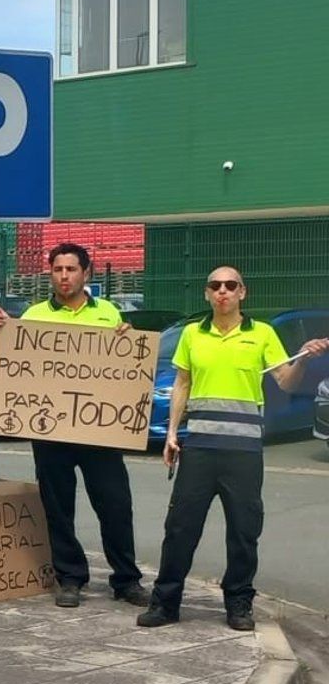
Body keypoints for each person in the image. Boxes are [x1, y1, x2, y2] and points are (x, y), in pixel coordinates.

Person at [140, 267, 328, 631]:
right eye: (215, 286)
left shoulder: (262, 334)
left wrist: (302, 357)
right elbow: (182, 383)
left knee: (243, 531)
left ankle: (239, 604)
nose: (222, 291)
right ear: (207, 295)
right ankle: (165, 603)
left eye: (230, 285)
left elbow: (286, 382)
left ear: (243, 292)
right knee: (180, 528)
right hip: (198, 448)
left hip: (243, 452)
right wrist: (172, 435)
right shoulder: (193, 335)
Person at [0, 243, 147, 608]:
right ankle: (70, 577)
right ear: (51, 274)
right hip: (51, 431)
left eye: (71, 269)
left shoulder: (108, 313)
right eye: (58, 269)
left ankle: (126, 580)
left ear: (86, 273)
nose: (64, 276)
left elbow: (124, 367)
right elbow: (17, 364)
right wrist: (7, 331)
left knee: (115, 505)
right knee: (58, 507)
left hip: (100, 431)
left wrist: (129, 339)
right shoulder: (33, 315)